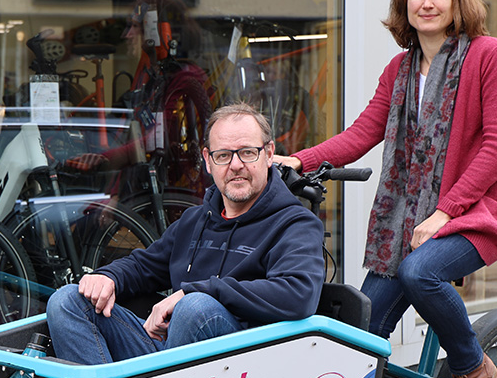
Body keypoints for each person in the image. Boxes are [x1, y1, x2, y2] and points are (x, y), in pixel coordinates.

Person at [276, 0, 497, 378]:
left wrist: (446, 211)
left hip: (479, 213)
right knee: (362, 328)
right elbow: (361, 133)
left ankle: (471, 367)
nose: (427, 2)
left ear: (457, 2)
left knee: (420, 272)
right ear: (404, 5)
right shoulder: (399, 70)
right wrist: (298, 161)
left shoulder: (489, 56)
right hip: (408, 221)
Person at [46, 102, 325, 364]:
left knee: (195, 308)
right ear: (208, 161)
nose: (236, 165)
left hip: (245, 370)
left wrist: (192, 292)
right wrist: (108, 277)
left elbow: (298, 295)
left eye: (248, 152)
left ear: (269, 154)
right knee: (68, 300)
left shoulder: (295, 224)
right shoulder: (195, 220)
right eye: (223, 155)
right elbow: (144, 266)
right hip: (172, 354)